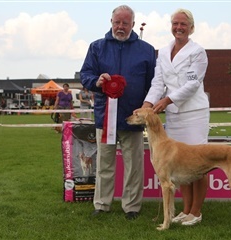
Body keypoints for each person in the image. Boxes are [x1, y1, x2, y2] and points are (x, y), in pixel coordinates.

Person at [80, 5, 156, 220]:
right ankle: (102, 204)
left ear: (133, 24)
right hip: (105, 117)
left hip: (134, 118)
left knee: (134, 165)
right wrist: (96, 81)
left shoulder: (147, 50)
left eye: (125, 23)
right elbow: (85, 74)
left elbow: (154, 83)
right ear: (111, 22)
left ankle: (131, 207)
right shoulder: (96, 47)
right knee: (104, 164)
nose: (120, 27)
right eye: (117, 22)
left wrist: (147, 108)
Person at [142, 8, 210, 226]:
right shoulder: (162, 52)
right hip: (174, 116)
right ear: (171, 26)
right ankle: (185, 209)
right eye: (175, 24)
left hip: (193, 114)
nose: (179, 27)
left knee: (198, 164)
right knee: (180, 166)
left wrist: (167, 100)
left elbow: (193, 84)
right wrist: (148, 103)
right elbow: (157, 82)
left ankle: (196, 212)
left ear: (191, 27)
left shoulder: (198, 52)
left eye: (183, 24)